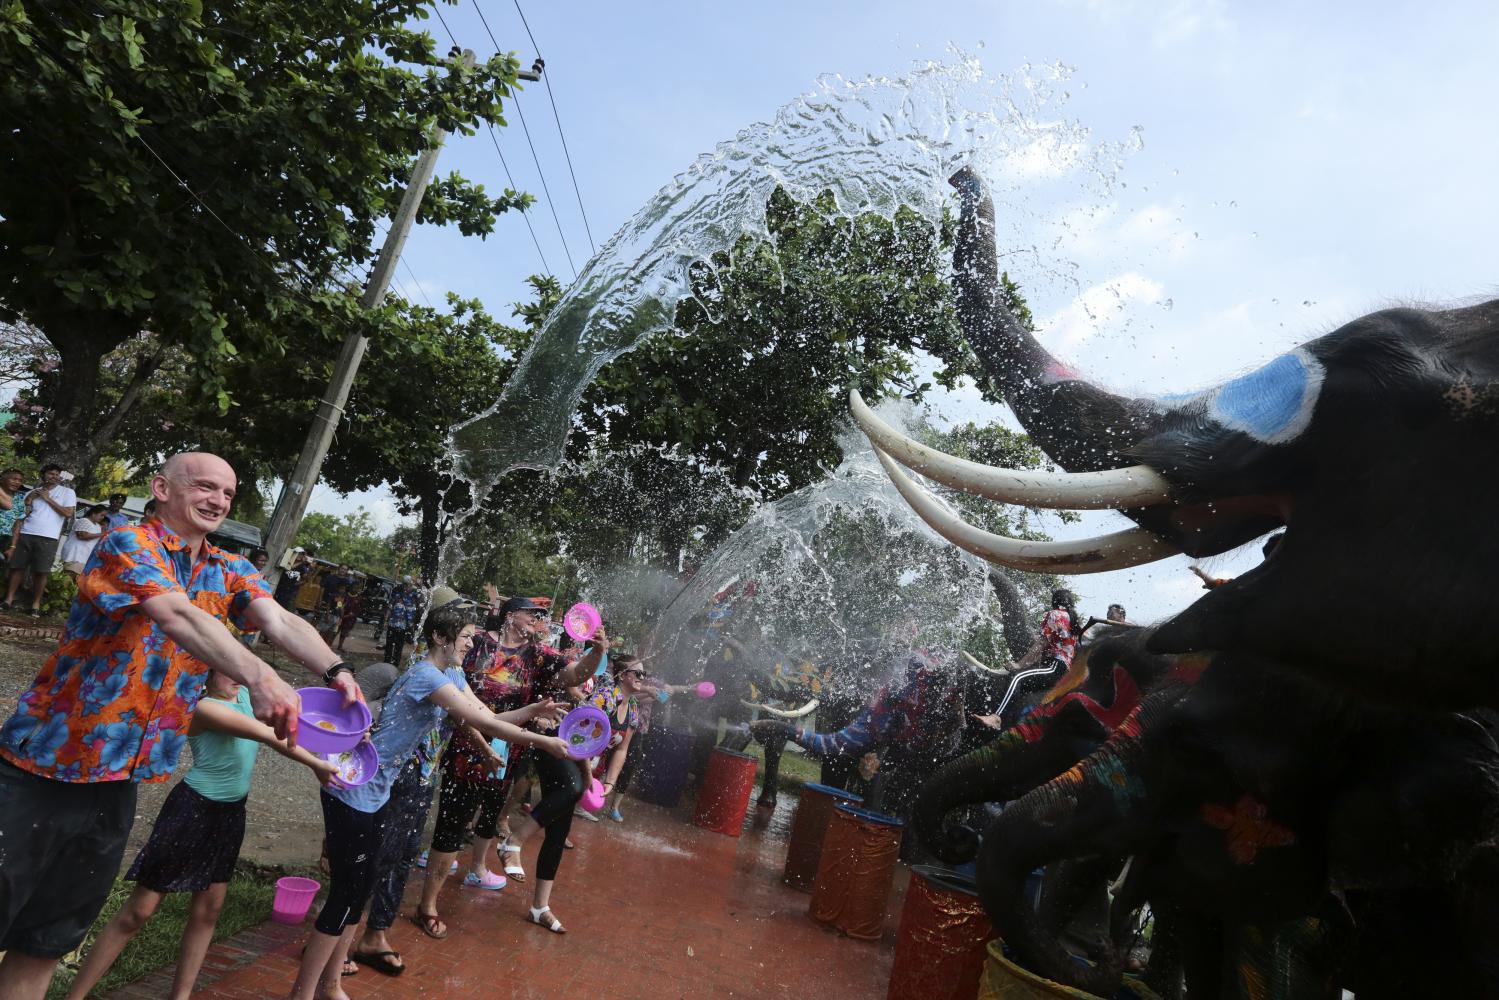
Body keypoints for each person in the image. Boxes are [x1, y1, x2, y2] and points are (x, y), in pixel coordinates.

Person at [0, 452, 361, 1000]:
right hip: (41, 771)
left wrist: (335, 670)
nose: (218, 500)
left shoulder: (228, 568)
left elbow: (278, 618)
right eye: (205, 487)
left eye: (228, 494)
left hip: (114, 785)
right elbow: (177, 615)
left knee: (46, 941)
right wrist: (260, 676)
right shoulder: (129, 543)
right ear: (161, 488)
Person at [288, 606, 570, 998]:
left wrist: (533, 711)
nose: (473, 642)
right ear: (440, 637)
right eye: (467, 635)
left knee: (361, 887)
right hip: (353, 786)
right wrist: (544, 742)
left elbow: (487, 714)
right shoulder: (426, 676)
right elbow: (487, 725)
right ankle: (303, 993)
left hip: (378, 790)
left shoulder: (451, 675)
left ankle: (331, 985)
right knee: (346, 893)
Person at [63, 672, 340, 1000]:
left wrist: (345, 741)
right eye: (227, 670)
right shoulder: (203, 707)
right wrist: (316, 765)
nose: (238, 675)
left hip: (230, 813)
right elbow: (267, 735)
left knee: (209, 910)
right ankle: (75, 997)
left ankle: (180, 996)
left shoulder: (244, 697)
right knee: (140, 911)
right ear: (206, 672)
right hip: (192, 810)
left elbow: (298, 720)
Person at [417, 598, 608, 934]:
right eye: (533, 614)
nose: (540, 620)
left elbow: (576, 674)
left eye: (542, 616)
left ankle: (479, 865)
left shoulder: (538, 655)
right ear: (510, 615)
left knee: (489, 816)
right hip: (465, 745)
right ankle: (428, 904)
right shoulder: (475, 642)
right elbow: (450, 685)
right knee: (451, 823)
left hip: (507, 750)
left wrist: (596, 651)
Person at [987, 589, 1083, 728]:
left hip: (1055, 666)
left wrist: (1019, 665)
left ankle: (996, 717)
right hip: (1061, 669)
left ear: (1054, 602)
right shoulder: (1074, 621)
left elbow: (1041, 644)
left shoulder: (1055, 614)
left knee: (1017, 677)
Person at [2, 464, 76, 617]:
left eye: (57, 474)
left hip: (48, 536)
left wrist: (48, 499)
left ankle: (36, 604)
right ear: (43, 475)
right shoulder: (30, 492)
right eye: (50, 473)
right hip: (26, 533)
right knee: (17, 568)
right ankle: (8, 600)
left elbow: (68, 513)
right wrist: (29, 502)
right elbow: (21, 516)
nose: (54, 476)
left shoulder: (67, 492)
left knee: (41, 572)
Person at [593, 655, 647, 823]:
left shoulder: (633, 708)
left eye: (644, 673)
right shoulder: (605, 698)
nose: (642, 678)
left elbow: (622, 749)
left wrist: (610, 782)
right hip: (576, 757)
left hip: (596, 765)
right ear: (622, 675)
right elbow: (581, 737)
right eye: (637, 673)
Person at [58, 504, 109, 579]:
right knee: (68, 579)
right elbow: (82, 536)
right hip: (74, 556)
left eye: (104, 516)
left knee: (73, 581)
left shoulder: (98, 526)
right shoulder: (83, 521)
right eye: (101, 515)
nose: (103, 518)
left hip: (84, 558)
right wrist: (101, 534)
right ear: (93, 513)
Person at [383, 578, 422, 666]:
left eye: (409, 585)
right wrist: (386, 621)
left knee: (399, 646)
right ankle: (386, 662)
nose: (407, 587)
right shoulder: (397, 595)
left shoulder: (414, 597)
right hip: (392, 624)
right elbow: (390, 608)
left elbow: (418, 610)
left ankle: (395, 664)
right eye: (406, 584)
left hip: (404, 626)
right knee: (389, 644)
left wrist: (413, 626)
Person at [0, 468, 25, 574]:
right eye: (14, 479)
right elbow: (8, 505)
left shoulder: (19, 498)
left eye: (20, 480)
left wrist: (13, 547)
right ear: (2, 479)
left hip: (5, 539)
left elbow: (17, 524)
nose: (17, 482)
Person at [336, 586, 364, 652]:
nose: (356, 589)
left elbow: (359, 608)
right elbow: (339, 603)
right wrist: (340, 610)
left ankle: (340, 646)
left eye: (357, 588)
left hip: (350, 619)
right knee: (335, 631)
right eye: (354, 587)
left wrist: (353, 614)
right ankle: (329, 643)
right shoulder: (345, 595)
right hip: (340, 616)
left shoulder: (359, 598)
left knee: (344, 633)